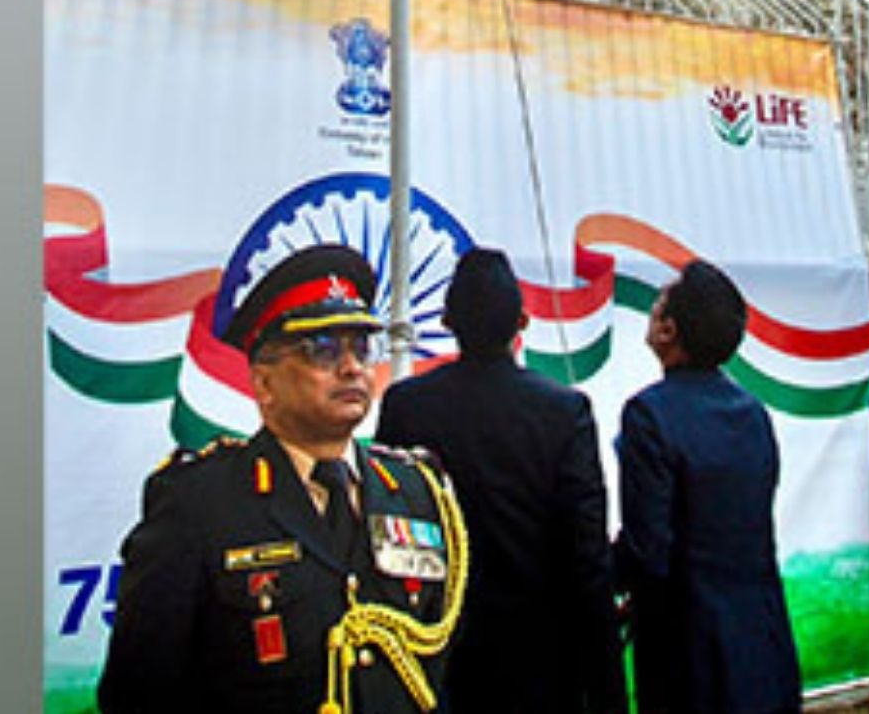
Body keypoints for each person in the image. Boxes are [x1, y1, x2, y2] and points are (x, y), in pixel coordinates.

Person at [98, 244, 467, 714]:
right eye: (323, 350)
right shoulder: (198, 504)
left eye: (361, 347)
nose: (353, 368)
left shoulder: (417, 490)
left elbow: (446, 665)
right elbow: (138, 690)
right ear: (264, 383)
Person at [376, 247, 627, 714]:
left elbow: (388, 539)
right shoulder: (565, 412)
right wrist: (608, 691)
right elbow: (587, 555)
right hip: (543, 662)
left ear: (448, 322)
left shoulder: (406, 407)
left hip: (439, 660)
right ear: (522, 322)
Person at [615, 259, 801, 714]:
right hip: (762, 639)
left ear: (668, 331)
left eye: (658, 304)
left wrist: (595, 577)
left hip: (690, 652)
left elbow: (648, 548)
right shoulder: (753, 412)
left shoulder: (649, 415)